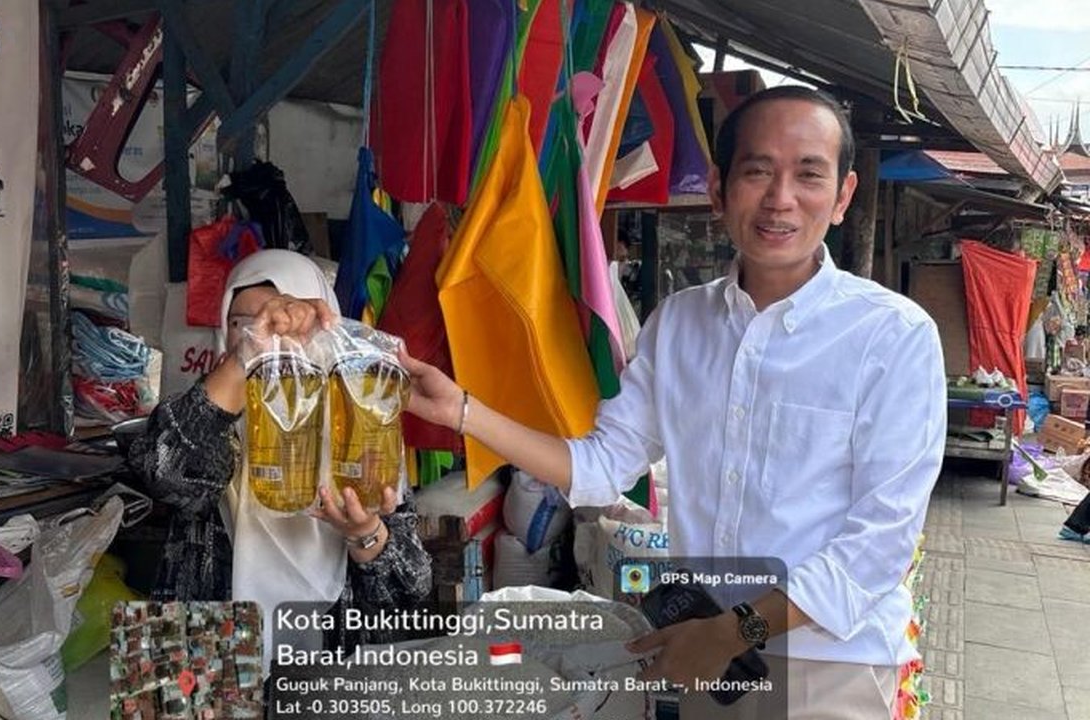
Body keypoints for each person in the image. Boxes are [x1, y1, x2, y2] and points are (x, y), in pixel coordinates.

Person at [400, 86, 947, 717]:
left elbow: (879, 543)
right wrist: (462, 411)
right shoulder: (681, 321)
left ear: (844, 195)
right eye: (757, 171)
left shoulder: (893, 336)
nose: (780, 199)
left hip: (828, 662)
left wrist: (730, 631)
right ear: (718, 188)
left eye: (808, 175)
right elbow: (603, 465)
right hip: (708, 652)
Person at [129, 249, 431, 653]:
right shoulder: (208, 412)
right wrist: (245, 358)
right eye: (243, 322)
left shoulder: (362, 426)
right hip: (207, 662)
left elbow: (412, 589)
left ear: (323, 323)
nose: (266, 329)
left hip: (329, 671)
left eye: (287, 315)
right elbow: (162, 470)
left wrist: (365, 535)